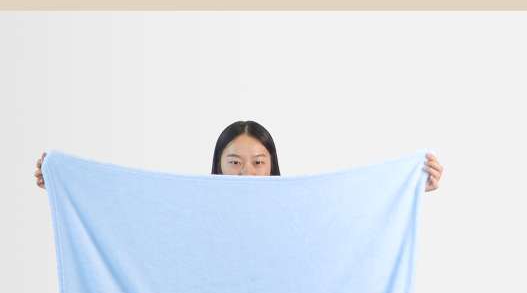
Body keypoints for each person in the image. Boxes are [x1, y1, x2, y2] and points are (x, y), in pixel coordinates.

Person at [34, 122, 443, 188]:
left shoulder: (296, 209)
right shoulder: (193, 206)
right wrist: (66, 183)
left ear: (272, 167)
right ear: (217, 167)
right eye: (234, 163)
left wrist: (408, 187)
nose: (246, 173)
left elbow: (351, 216)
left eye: (258, 163)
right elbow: (131, 207)